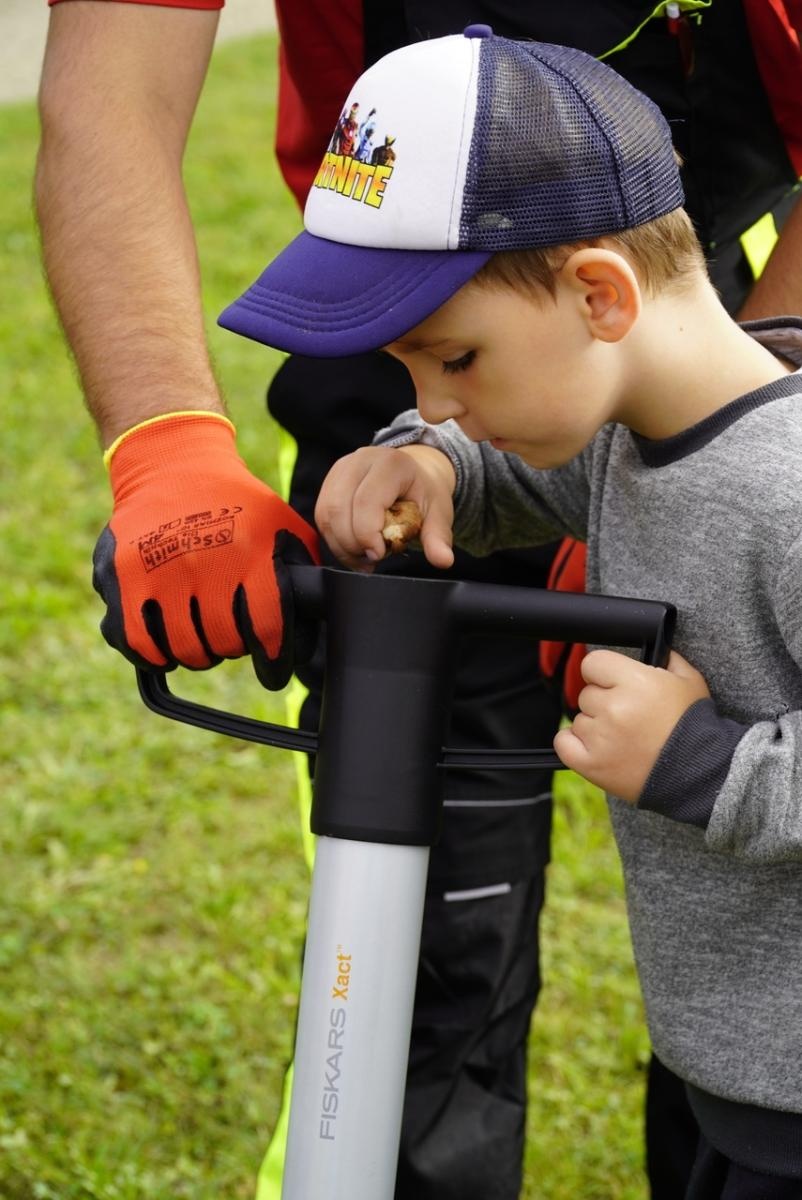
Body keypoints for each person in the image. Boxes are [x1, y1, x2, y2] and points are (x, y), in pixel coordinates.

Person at [35, 3, 802, 1198]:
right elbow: (110, 100)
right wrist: (426, 460)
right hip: (730, 1073)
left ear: (602, 297)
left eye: (448, 363)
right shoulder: (608, 426)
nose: (430, 400)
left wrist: (696, 763)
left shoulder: (784, 489)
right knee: (431, 969)